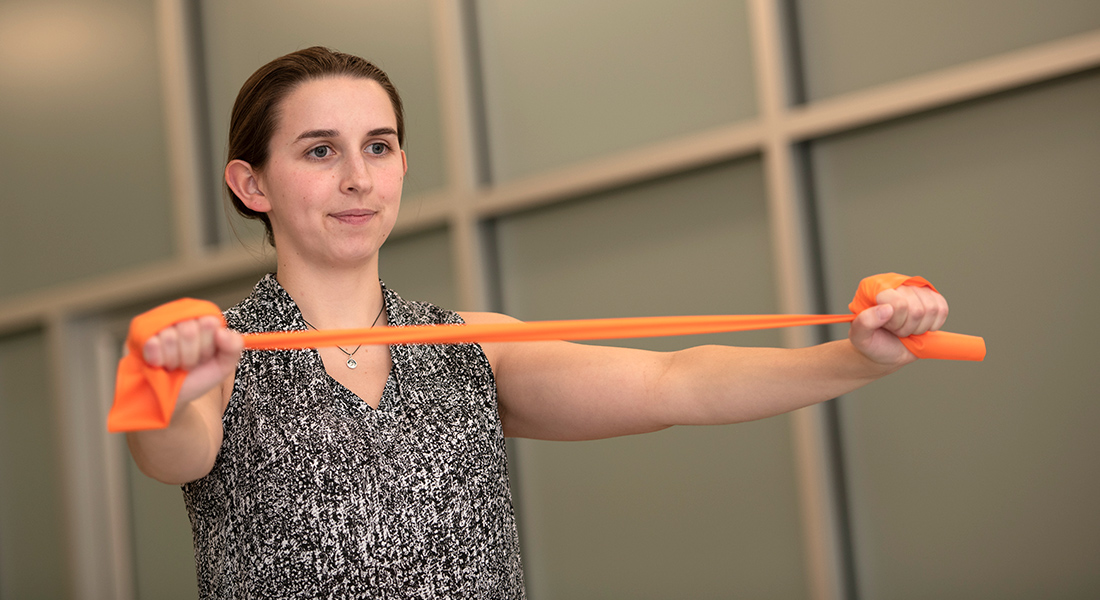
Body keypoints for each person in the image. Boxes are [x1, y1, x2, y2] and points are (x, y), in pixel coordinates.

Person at [126, 47, 949, 598]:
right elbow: (173, 453)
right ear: (252, 183)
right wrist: (170, 389)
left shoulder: (469, 346)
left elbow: (677, 383)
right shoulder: (221, 354)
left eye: (379, 147)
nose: (357, 178)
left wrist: (859, 358)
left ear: (403, 164)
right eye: (318, 151)